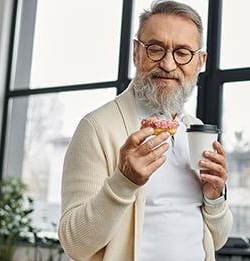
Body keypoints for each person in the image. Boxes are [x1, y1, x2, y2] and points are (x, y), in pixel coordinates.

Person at [58, 1, 233, 260]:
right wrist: (123, 182)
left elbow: (217, 240)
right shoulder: (98, 128)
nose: (169, 64)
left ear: (200, 62)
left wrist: (215, 198)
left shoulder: (196, 130)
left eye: (182, 53)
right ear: (136, 53)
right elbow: (75, 244)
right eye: (155, 49)